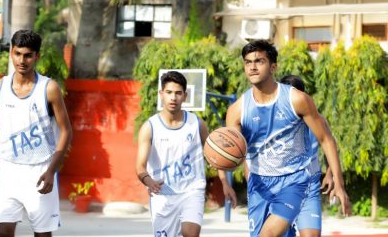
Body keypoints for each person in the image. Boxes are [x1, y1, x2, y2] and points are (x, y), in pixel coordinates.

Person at [219, 40, 351, 237]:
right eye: (248, 62)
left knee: (275, 234)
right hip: (260, 184)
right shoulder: (236, 111)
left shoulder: (297, 100)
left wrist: (338, 183)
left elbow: (327, 140)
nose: (253, 67)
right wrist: (222, 162)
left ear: (273, 66)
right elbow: (234, 151)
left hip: (297, 179)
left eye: (259, 61)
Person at [0, 30, 72, 237]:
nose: (22, 60)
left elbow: (66, 131)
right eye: (17, 54)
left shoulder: (49, 88)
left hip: (40, 169)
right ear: (11, 54)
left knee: (42, 234)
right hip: (8, 169)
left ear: (37, 56)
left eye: (27, 55)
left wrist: (52, 170)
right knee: (4, 231)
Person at [135, 71, 209, 237]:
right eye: (168, 92)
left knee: (191, 233)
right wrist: (149, 181)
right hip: (163, 194)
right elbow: (139, 165)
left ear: (185, 96)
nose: (173, 98)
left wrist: (225, 183)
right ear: (161, 94)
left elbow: (215, 155)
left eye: (178, 93)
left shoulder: (197, 124)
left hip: (192, 190)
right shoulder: (150, 127)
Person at [280, 74, 334, 237]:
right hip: (280, 187)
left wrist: (330, 175)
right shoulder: (274, 121)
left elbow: (329, 147)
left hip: (308, 186)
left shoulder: (318, 120)